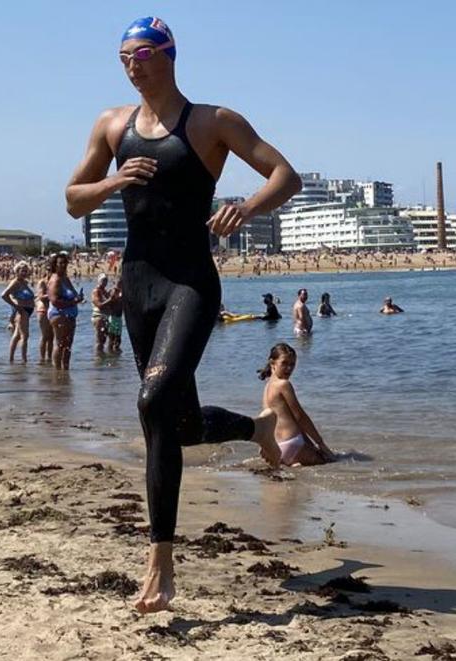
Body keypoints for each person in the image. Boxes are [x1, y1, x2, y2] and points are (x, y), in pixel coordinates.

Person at [64, 16, 300, 613]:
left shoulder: (211, 122)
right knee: (181, 424)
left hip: (191, 283)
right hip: (137, 285)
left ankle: (161, 563)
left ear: (168, 55)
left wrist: (244, 208)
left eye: (141, 52)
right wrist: (114, 182)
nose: (130, 64)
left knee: (151, 403)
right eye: (122, 55)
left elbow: (285, 175)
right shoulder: (111, 124)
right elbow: (71, 199)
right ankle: (257, 428)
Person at [259, 343, 334, 466]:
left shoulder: (267, 387)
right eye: (284, 363)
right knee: (334, 462)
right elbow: (299, 416)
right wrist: (320, 443)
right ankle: (296, 463)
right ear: (272, 363)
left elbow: (267, 419)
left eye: (292, 364)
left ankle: (294, 464)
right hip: (292, 443)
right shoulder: (283, 384)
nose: (289, 368)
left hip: (277, 446)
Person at [47, 252, 83, 369]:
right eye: (60, 263)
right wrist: (73, 302)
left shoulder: (65, 278)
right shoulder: (55, 280)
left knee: (68, 345)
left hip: (70, 315)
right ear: (55, 265)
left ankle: (65, 370)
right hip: (59, 315)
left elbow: (74, 293)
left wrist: (79, 298)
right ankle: (57, 370)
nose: (63, 265)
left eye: (65, 262)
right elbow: (54, 301)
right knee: (60, 343)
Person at [0, 261, 36, 363]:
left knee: (17, 335)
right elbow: (4, 295)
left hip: (27, 311)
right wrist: (16, 306)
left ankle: (11, 359)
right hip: (22, 311)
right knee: (25, 336)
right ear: (17, 271)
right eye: (22, 271)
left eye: (26, 271)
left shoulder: (24, 282)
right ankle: (24, 360)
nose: (24, 273)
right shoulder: (15, 282)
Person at [34, 261, 54, 363]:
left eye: (52, 270)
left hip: (53, 310)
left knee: (51, 337)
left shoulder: (56, 282)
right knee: (45, 336)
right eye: (49, 270)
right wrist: (53, 294)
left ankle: (49, 358)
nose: (51, 272)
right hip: (43, 310)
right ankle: (42, 358)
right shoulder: (42, 282)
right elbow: (41, 296)